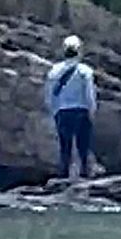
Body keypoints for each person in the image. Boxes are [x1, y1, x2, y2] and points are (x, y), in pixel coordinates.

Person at [44, 35, 98, 179]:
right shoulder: (85, 71)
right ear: (79, 51)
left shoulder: (55, 70)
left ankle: (63, 175)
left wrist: (54, 112)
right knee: (83, 146)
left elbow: (50, 94)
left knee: (65, 147)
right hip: (81, 111)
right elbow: (89, 94)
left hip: (62, 112)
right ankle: (85, 174)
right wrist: (92, 110)